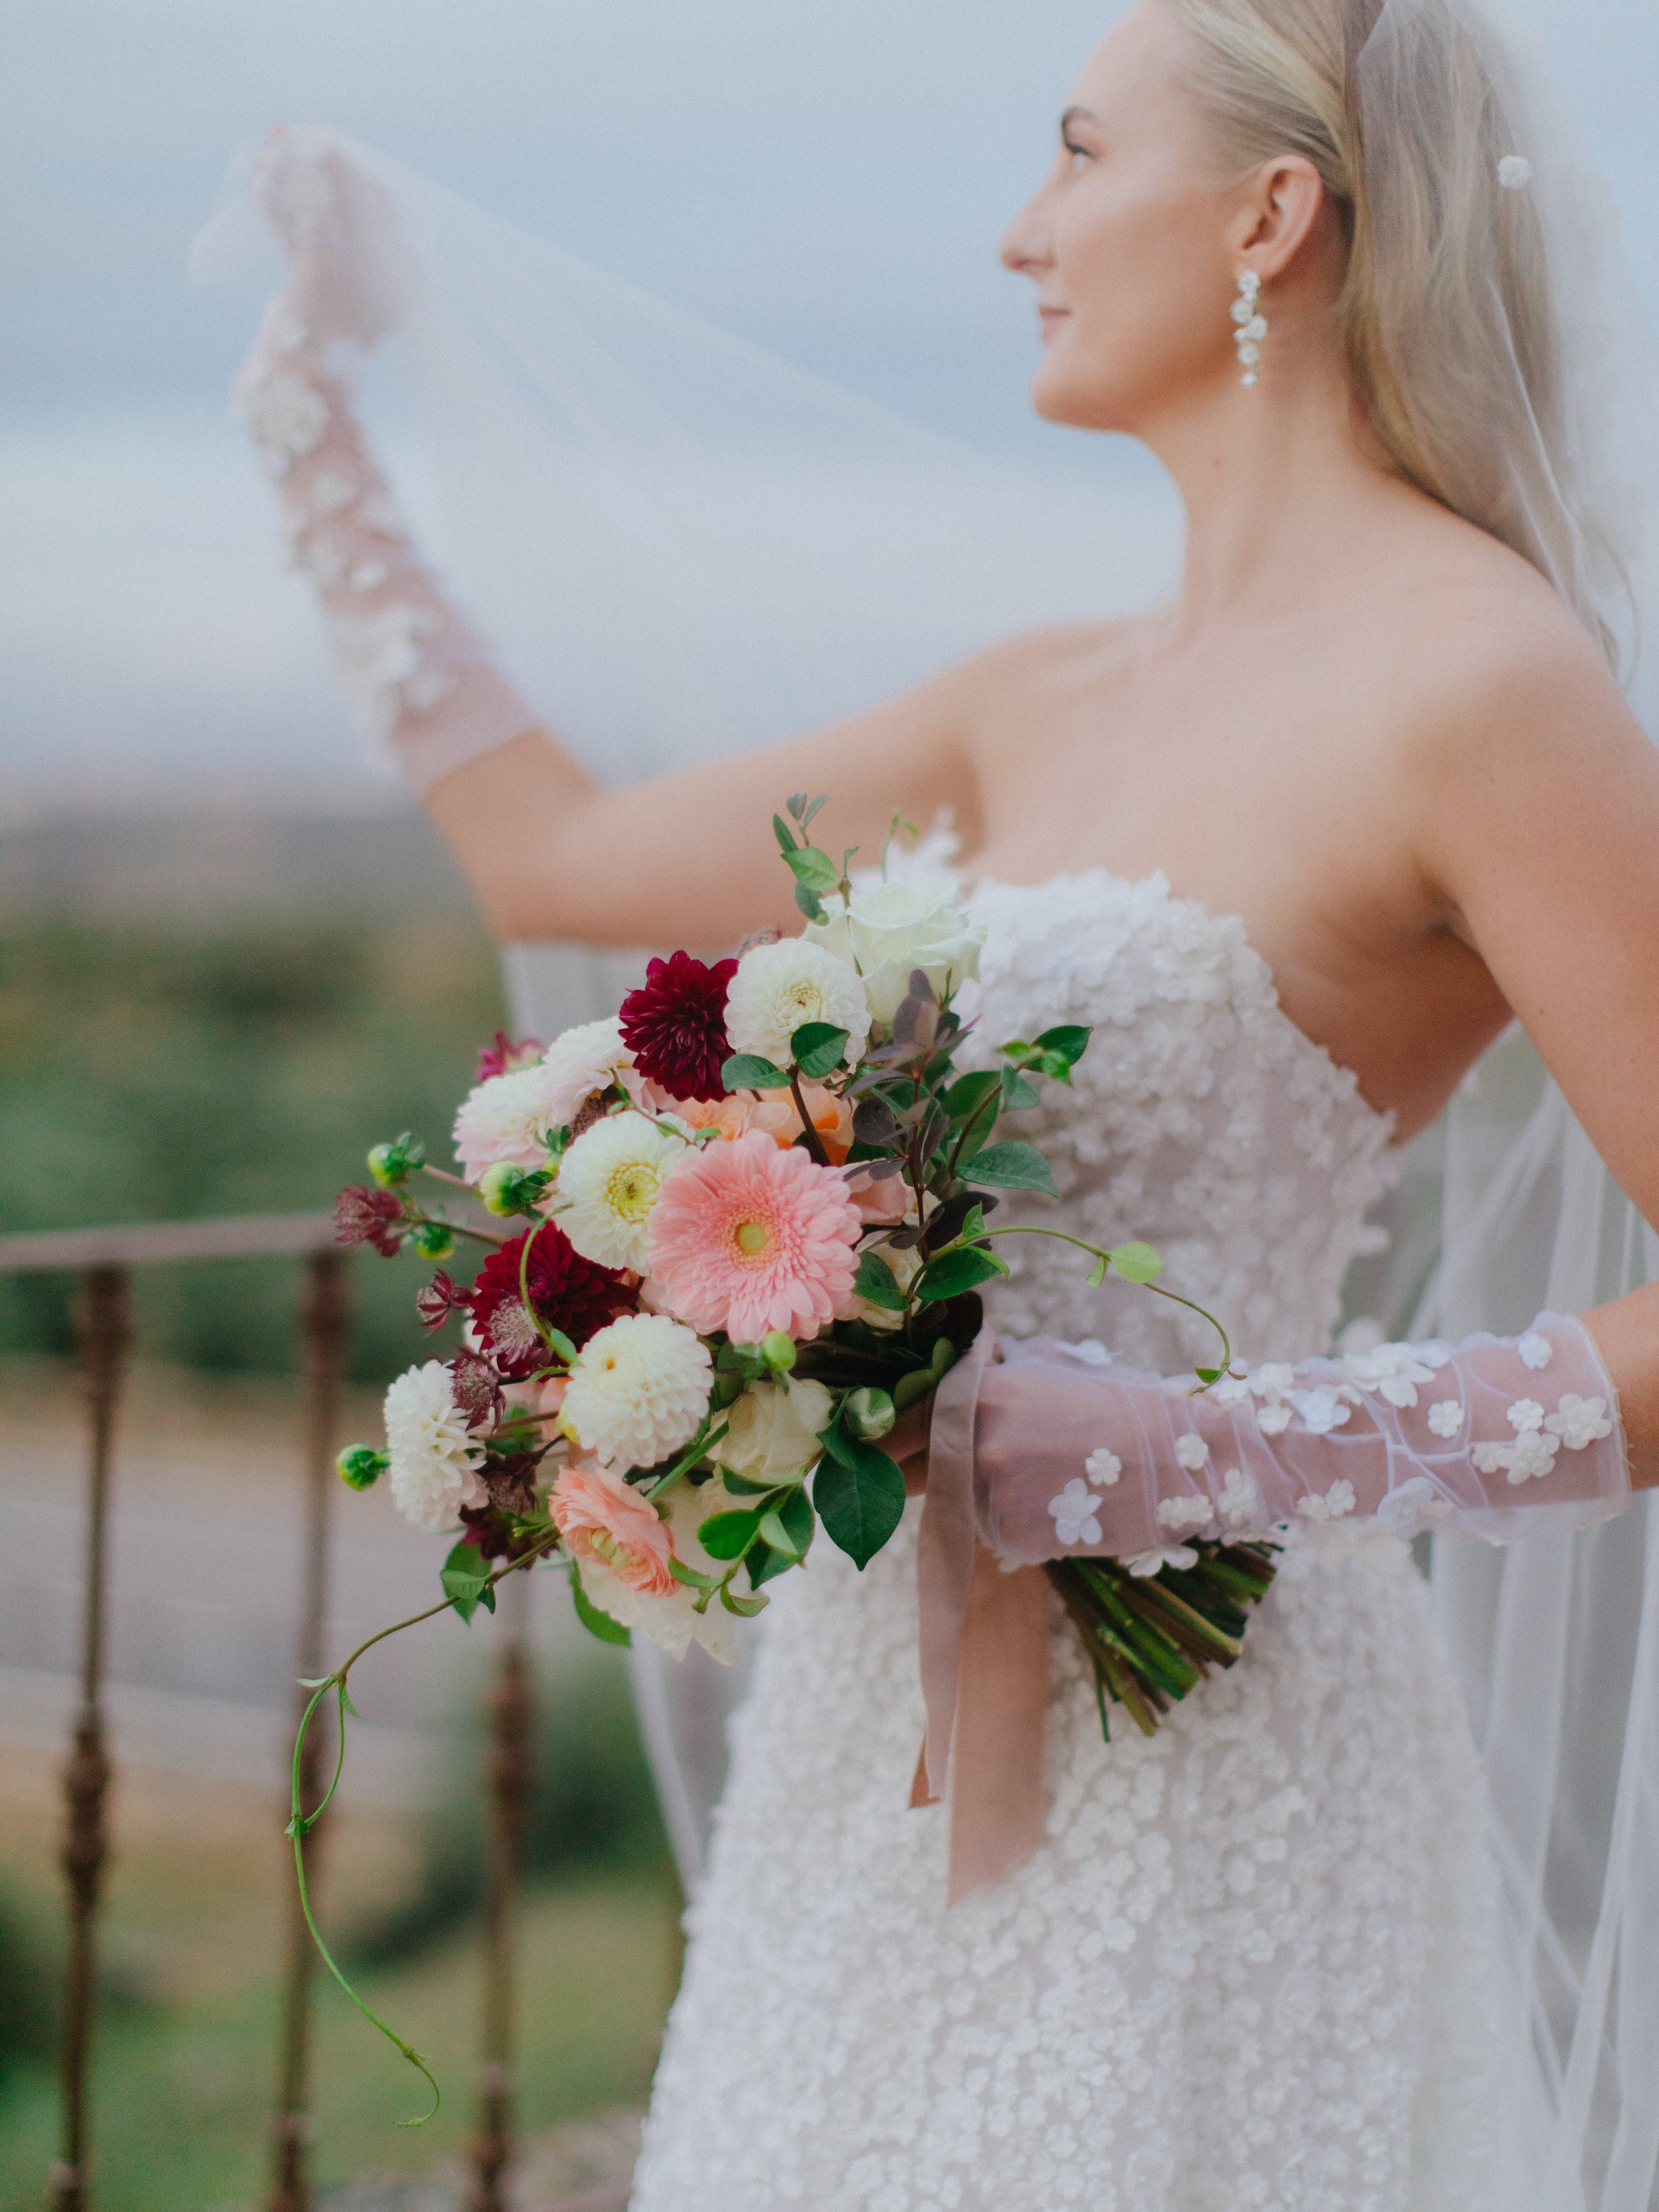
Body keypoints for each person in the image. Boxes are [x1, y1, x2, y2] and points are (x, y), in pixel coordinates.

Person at [229, 0, 1659, 2201]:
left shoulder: (1485, 687)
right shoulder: (1038, 692)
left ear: (1270, 215)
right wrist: (310, 421)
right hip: (861, 1736)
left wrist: (1214, 1448)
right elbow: (555, 860)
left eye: (1080, 154)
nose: (1019, 230)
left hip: (1217, 1752)